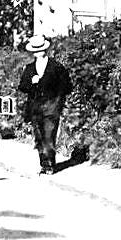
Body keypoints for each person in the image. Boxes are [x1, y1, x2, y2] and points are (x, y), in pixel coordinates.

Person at [17, 34, 74, 175]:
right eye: (36, 50)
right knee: (39, 137)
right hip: (35, 108)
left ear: (45, 50)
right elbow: (22, 86)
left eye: (40, 49)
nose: (38, 52)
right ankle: (43, 163)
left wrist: (57, 102)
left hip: (51, 107)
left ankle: (49, 165)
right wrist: (32, 82)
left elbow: (66, 86)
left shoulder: (56, 67)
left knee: (49, 135)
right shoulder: (29, 68)